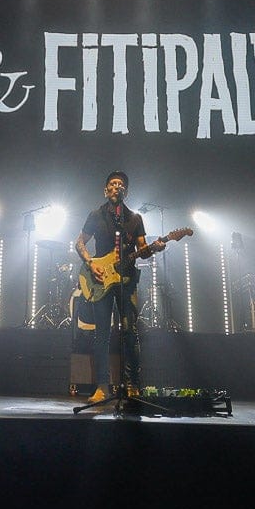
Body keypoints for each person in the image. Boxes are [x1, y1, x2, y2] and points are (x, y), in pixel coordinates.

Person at [74, 170, 167, 405]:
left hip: (127, 280)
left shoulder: (134, 219)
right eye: (113, 183)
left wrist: (154, 247)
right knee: (102, 334)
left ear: (126, 191)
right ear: (106, 190)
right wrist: (90, 263)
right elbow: (80, 242)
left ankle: (132, 384)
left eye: (121, 184)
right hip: (101, 280)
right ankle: (102, 386)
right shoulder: (95, 215)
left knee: (129, 331)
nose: (117, 186)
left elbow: (142, 249)